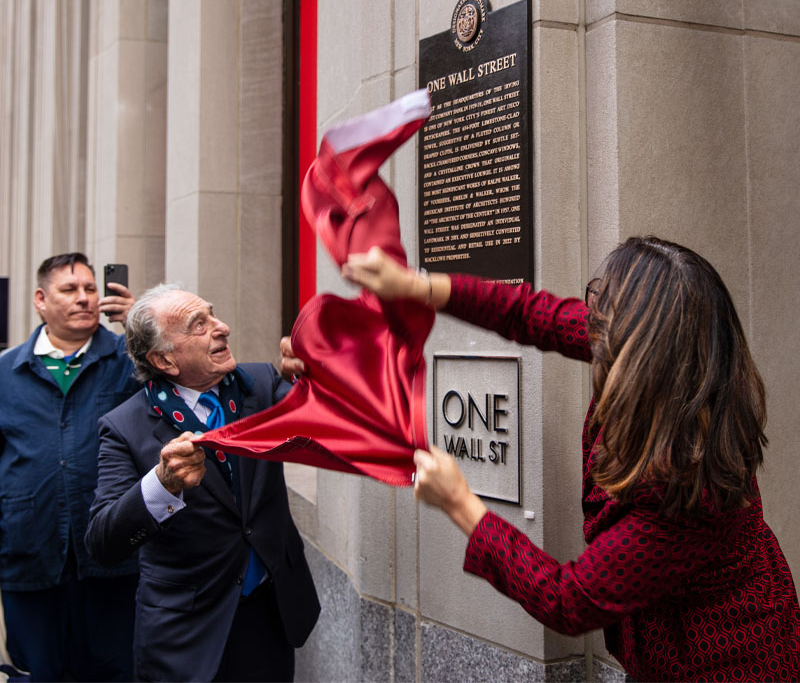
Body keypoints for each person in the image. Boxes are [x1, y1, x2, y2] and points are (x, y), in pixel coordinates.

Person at [325, 236, 800, 682]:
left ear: (641, 349)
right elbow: (534, 315)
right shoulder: (668, 367)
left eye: (607, 303)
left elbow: (567, 599)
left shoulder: (691, 494)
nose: (593, 311)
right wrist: (417, 286)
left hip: (726, 665)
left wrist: (460, 503)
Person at [85, 284, 320, 682]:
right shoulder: (125, 428)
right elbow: (103, 542)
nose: (222, 327)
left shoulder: (261, 386)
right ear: (164, 359)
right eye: (199, 325)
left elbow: (326, 429)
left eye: (212, 314)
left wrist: (316, 373)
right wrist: (163, 484)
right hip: (184, 636)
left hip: (269, 615)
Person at [0, 252, 140, 681]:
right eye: (69, 290)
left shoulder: (129, 360)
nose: (84, 299)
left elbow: (185, 381)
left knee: (117, 670)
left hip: (113, 555)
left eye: (90, 289)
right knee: (39, 672)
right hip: (29, 554)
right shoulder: (6, 371)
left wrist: (140, 327)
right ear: (41, 299)